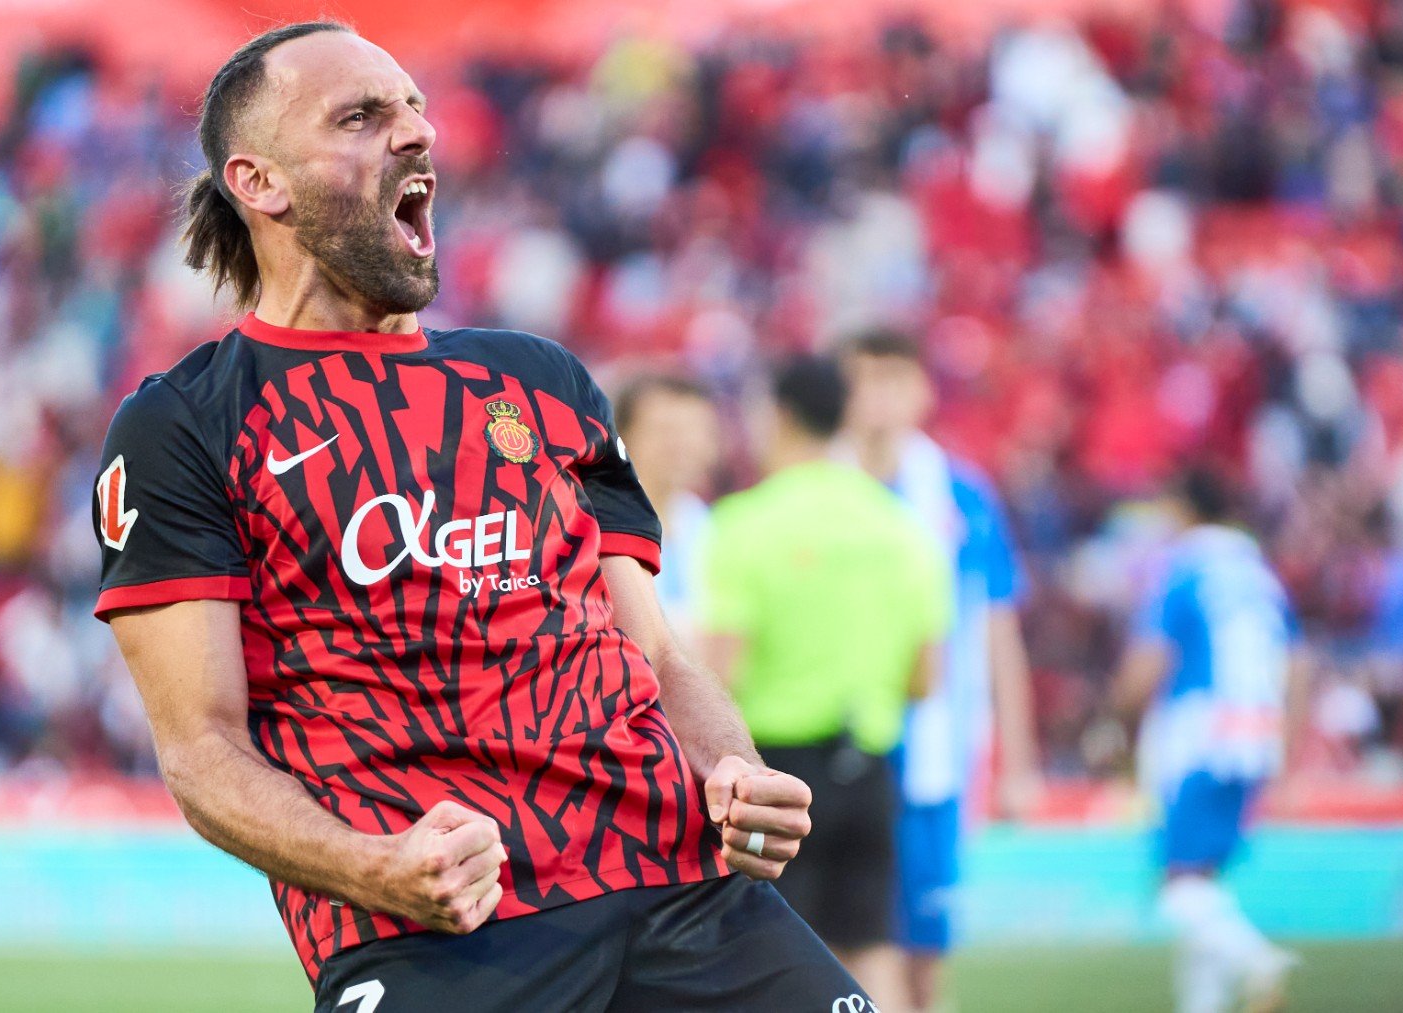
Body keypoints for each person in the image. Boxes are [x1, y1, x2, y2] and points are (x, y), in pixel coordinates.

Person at [93, 22, 873, 1012]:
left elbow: (661, 657)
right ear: (260, 182)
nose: (416, 133)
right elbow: (202, 748)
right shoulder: (188, 424)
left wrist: (731, 766)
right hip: (440, 928)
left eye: (414, 108)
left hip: (683, 887)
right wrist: (374, 865)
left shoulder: (541, 378)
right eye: (362, 117)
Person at [698, 355, 954, 1012]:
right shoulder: (899, 524)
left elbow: (715, 673)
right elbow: (926, 678)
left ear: (776, 414)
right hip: (868, 767)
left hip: (771, 776)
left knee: (759, 952)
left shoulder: (744, 523)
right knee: (871, 948)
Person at [838, 329, 1040, 1012]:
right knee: (852, 949)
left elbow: (996, 628)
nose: (879, 396)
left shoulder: (960, 496)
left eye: (894, 377)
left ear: (922, 390)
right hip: (833, 743)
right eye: (864, 378)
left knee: (926, 958)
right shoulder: (817, 489)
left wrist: (1018, 758)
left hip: (932, 752)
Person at [1112, 468, 1306, 1013]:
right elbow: (1299, 660)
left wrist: (1115, 720)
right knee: (1208, 884)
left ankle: (1260, 962)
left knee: (1177, 887)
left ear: (1183, 508)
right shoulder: (1257, 571)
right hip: (1255, 735)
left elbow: (1145, 667)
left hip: (1198, 735)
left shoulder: (1184, 568)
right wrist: (1286, 745)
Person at [613, 372, 720, 648]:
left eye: (695, 431)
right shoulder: (600, 528)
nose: (682, 445)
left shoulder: (703, 521)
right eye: (665, 430)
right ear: (623, 437)